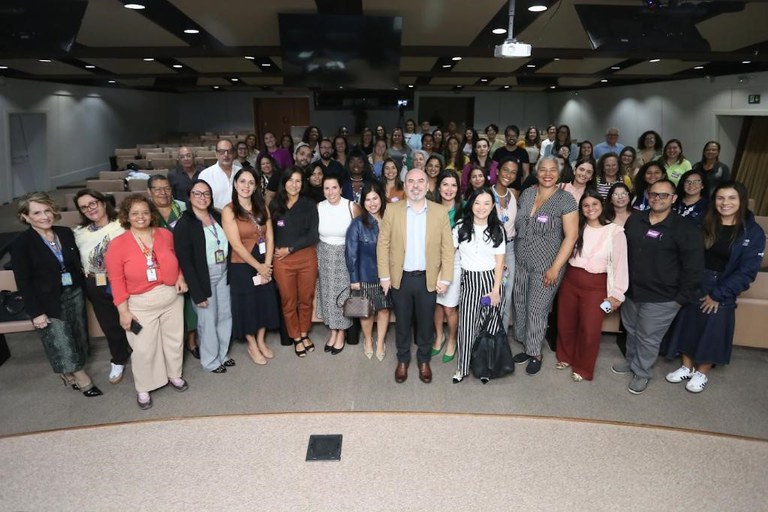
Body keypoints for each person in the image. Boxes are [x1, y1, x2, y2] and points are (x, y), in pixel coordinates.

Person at [663, 181, 765, 393]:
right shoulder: (703, 222)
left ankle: (702, 372)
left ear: (741, 201)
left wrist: (718, 295)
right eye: (720, 198)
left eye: (731, 198)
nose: (725, 203)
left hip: (723, 286)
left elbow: (747, 272)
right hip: (696, 280)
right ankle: (686, 366)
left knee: (712, 331)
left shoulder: (752, 232)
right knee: (688, 324)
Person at [612, 179, 704, 395]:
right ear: (647, 195)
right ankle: (632, 361)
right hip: (632, 292)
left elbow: (694, 268)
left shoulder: (685, 229)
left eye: (664, 195)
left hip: (664, 298)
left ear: (673, 199)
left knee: (648, 337)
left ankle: (642, 372)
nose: (657, 198)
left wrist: (680, 299)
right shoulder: (635, 220)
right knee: (632, 331)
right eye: (654, 194)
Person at [11, 192, 103, 397]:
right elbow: (23, 282)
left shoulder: (65, 233)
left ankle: (69, 371)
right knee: (61, 339)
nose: (45, 216)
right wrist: (36, 313)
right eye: (37, 213)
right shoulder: (21, 244)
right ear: (25, 217)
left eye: (47, 211)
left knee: (78, 336)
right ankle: (82, 379)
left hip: (74, 293)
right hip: (47, 301)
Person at [105, 194, 188, 410]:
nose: (140, 217)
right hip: (140, 303)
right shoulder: (118, 244)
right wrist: (123, 311)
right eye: (135, 213)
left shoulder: (164, 234)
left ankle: (174, 375)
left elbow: (176, 259)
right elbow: (116, 280)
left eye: (144, 212)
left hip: (171, 297)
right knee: (143, 348)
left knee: (174, 340)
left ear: (151, 214)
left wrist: (179, 276)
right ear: (126, 216)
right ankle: (144, 387)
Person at [377, 168, 454, 384]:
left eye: (421, 181)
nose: (416, 185)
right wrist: (384, 276)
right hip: (400, 278)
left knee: (425, 323)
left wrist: (445, 278)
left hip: (427, 279)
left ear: (429, 185)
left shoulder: (440, 212)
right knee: (402, 322)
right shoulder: (392, 210)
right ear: (405, 185)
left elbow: (447, 248)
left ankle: (423, 360)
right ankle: (403, 360)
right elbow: (383, 245)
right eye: (411, 181)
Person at [512, 157, 579, 375]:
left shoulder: (566, 199)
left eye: (552, 170)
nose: (547, 174)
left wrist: (555, 268)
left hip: (547, 265)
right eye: (543, 170)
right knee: (520, 303)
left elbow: (571, 237)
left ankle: (536, 353)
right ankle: (525, 344)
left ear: (559, 174)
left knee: (537, 309)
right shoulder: (528, 193)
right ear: (536, 172)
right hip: (521, 260)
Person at [555, 190, 628, 382]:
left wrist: (616, 294)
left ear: (602, 205)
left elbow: (621, 264)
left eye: (594, 204)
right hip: (571, 279)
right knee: (566, 322)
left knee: (590, 328)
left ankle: (583, 368)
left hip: (597, 285)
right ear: (581, 209)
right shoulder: (577, 228)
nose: (590, 209)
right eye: (586, 205)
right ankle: (565, 356)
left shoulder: (616, 231)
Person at [174, 179, 234, 373]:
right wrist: (197, 293)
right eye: (197, 193)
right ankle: (210, 360)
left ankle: (222, 354)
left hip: (223, 270)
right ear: (189, 197)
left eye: (206, 193)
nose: (202, 197)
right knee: (207, 319)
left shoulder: (217, 215)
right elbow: (185, 261)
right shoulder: (185, 224)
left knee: (225, 315)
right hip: (203, 275)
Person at [222, 168, 281, 365]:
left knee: (264, 301)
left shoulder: (261, 207)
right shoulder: (229, 210)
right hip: (243, 263)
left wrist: (267, 264)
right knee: (246, 305)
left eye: (251, 182)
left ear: (256, 186)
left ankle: (261, 340)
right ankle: (252, 344)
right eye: (242, 181)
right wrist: (259, 267)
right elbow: (236, 245)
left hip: (264, 260)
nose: (246, 186)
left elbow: (270, 235)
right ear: (235, 184)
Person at [73, 189, 130, 385]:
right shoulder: (79, 232)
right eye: (84, 207)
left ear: (103, 203)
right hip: (96, 283)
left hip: (124, 280)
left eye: (93, 203)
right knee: (110, 324)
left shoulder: (123, 224)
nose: (90, 209)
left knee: (135, 319)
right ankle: (119, 358)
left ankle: (142, 354)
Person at [451, 187, 506, 383]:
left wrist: (495, 291)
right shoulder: (460, 227)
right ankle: (462, 368)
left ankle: (484, 368)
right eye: (477, 203)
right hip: (469, 281)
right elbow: (448, 254)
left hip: (490, 282)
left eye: (486, 203)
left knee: (488, 328)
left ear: (492, 207)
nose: (481, 207)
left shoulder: (497, 229)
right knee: (466, 326)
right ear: (471, 204)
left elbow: (500, 263)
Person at [269, 168, 320, 356]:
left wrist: (290, 249)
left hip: (306, 257)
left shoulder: (308, 204)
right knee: (288, 300)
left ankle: (304, 333)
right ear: (284, 182)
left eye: (298, 181)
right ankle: (296, 336)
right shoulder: (275, 205)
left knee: (305, 299)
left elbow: (313, 235)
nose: (294, 184)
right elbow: (269, 233)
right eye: (290, 180)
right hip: (282, 261)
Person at [148, 174, 198, 358]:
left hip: (186, 262)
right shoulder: (146, 212)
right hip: (160, 267)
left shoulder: (182, 207)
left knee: (191, 307)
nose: (163, 193)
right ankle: (172, 347)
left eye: (167, 188)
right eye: (158, 189)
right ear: (150, 192)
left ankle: (192, 342)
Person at [345, 181, 391, 360]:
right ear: (363, 202)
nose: (372, 203)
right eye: (368, 199)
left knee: (384, 310)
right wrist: (354, 278)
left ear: (381, 199)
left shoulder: (390, 220)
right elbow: (351, 252)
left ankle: (380, 342)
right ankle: (367, 340)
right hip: (364, 275)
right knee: (365, 311)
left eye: (375, 198)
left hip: (385, 275)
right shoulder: (357, 224)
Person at [316, 175, 360, 354]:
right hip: (324, 253)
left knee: (342, 295)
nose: (331, 192)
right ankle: (333, 331)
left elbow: (361, 231)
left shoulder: (351, 206)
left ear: (341, 189)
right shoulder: (319, 207)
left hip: (345, 254)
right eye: (327, 188)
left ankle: (341, 332)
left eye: (334, 187)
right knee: (326, 294)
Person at [431, 170, 462, 363]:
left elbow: (453, 247)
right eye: (445, 184)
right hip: (432, 262)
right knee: (437, 305)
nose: (449, 189)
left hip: (453, 263)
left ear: (458, 188)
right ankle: (439, 336)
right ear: (439, 187)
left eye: (453, 185)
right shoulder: (431, 208)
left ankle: (451, 340)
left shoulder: (463, 210)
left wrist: (442, 274)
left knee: (450, 307)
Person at [492, 157, 518, 331]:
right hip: (491, 249)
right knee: (490, 290)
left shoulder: (515, 194)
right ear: (497, 171)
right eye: (505, 170)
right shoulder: (486, 194)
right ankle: (487, 332)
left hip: (509, 249)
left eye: (513, 172)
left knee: (507, 293)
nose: (508, 175)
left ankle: (501, 335)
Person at [199, 139, 243, 210]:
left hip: (240, 216)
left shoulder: (241, 172)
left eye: (229, 151)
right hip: (216, 217)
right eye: (222, 152)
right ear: (216, 154)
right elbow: (201, 201)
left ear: (234, 154)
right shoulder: (205, 175)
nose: (226, 155)